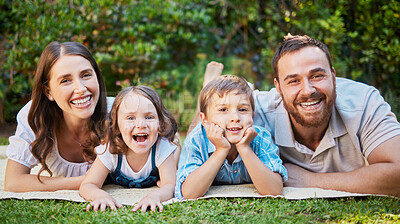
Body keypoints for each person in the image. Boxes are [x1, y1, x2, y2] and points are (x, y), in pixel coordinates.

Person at [191, 34, 400, 197]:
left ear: (334, 76)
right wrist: (207, 101)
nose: (308, 90)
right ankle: (207, 87)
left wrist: (308, 180)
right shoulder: (257, 110)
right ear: (278, 87)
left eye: (317, 76)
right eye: (293, 81)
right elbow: (199, 137)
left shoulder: (364, 102)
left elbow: (397, 172)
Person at [5, 41, 113, 192]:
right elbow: (13, 181)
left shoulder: (119, 113)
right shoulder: (36, 116)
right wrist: (86, 181)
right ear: (48, 92)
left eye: (86, 75)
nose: (80, 89)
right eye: (65, 80)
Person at [176, 75, 287, 199]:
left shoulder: (261, 138)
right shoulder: (197, 140)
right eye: (223, 109)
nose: (235, 117)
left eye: (243, 109)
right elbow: (189, 193)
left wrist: (245, 148)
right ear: (204, 119)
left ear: (252, 116)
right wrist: (220, 151)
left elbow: (274, 190)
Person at [79, 85, 178, 212]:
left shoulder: (161, 147)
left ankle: (176, 142)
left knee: (174, 146)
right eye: (131, 118)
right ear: (116, 125)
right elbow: (88, 185)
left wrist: (155, 196)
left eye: (149, 117)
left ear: (159, 121)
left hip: (169, 149)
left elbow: (170, 185)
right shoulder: (110, 149)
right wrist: (100, 196)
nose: (141, 125)